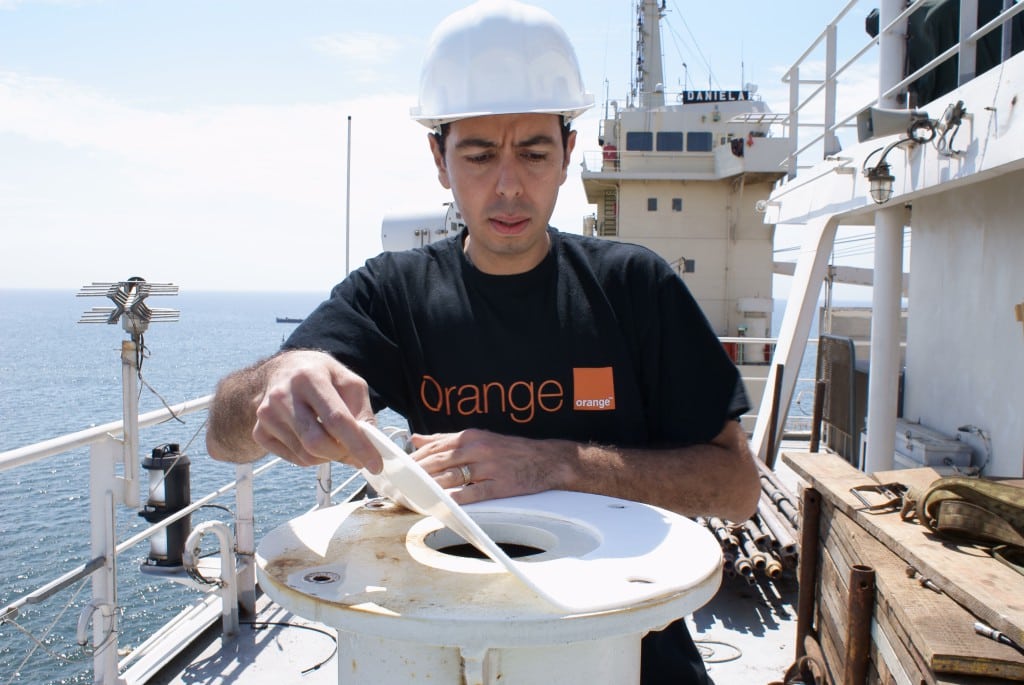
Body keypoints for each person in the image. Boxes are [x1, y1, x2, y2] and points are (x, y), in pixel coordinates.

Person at [206, 1, 760, 683]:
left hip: (631, 648)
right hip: (449, 648)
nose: (508, 184)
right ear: (438, 158)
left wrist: (555, 462)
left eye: (533, 152)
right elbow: (223, 436)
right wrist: (279, 380)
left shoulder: (634, 288)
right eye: (477, 154)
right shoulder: (394, 294)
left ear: (567, 154)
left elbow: (737, 486)